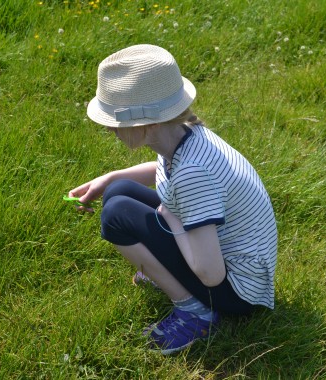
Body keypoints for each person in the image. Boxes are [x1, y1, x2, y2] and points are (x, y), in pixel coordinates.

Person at [68, 44, 278, 355]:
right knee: (117, 193)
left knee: (116, 216)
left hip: (238, 290)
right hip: (235, 262)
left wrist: (170, 217)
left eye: (115, 122)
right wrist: (111, 177)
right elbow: (163, 169)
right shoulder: (184, 134)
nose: (111, 129)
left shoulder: (193, 175)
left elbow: (211, 273)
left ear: (146, 123)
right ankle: (166, 271)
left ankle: (195, 313)